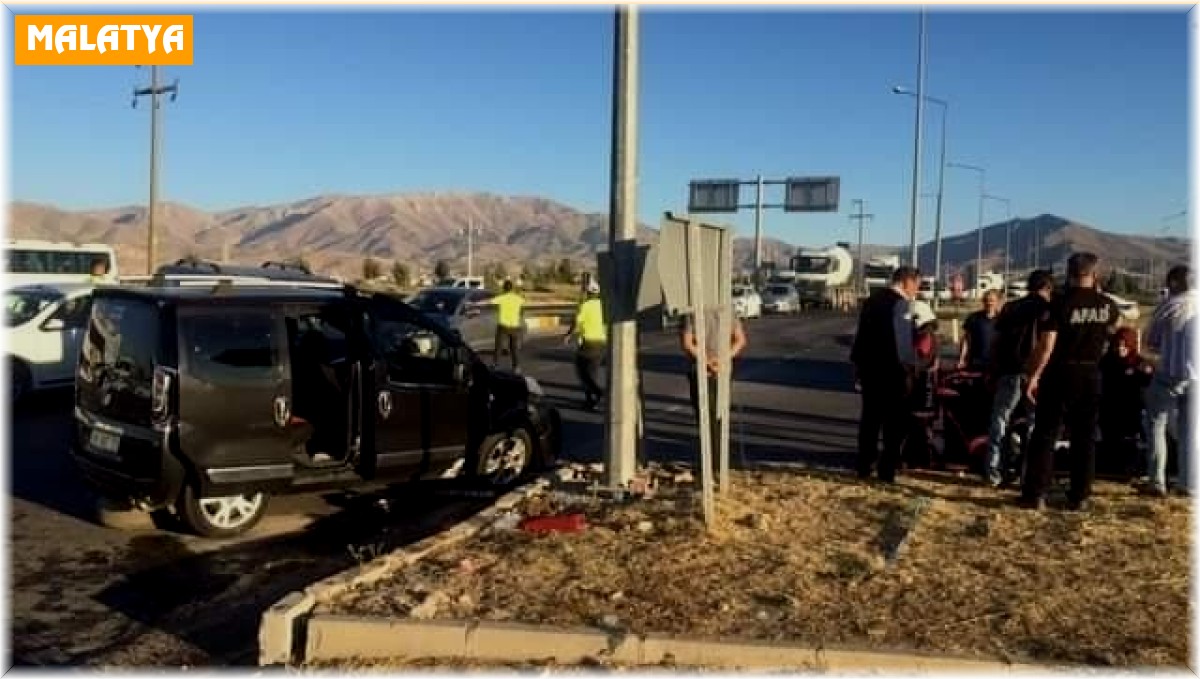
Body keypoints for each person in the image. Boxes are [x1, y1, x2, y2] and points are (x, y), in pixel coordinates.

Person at [1021, 253, 1120, 511]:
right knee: (1084, 437)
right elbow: (1115, 331)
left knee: (1046, 434)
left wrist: (1033, 376)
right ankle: (1080, 495)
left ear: (1069, 273)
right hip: (1091, 373)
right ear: (1094, 274)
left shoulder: (1059, 304)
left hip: (1061, 372)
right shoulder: (1108, 305)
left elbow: (1046, 345)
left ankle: (1036, 493)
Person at [982, 269, 1055, 487]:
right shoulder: (1048, 310)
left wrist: (994, 370)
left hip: (1010, 372)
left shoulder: (1010, 308)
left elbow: (997, 342)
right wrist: (1037, 374)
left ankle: (994, 472)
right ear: (1048, 288)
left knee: (1000, 422)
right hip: (1037, 374)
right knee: (1035, 425)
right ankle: (1029, 474)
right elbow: (1047, 346)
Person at [850, 265, 921, 482]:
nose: (917, 289)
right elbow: (902, 345)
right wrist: (910, 369)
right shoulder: (900, 304)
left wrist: (859, 368)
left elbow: (861, 337)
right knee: (894, 423)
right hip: (892, 373)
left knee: (870, 420)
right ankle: (886, 470)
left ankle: (864, 465)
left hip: (870, 370)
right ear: (906, 281)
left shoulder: (872, 300)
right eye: (917, 284)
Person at [1143, 264, 1196, 497]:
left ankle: (1156, 481)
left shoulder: (1170, 306)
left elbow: (1151, 341)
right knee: (1190, 430)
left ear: (1174, 283)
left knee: (1156, 425)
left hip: (1170, 375)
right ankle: (1189, 483)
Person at [1099, 327, 1153, 478]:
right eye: (1117, 345)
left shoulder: (1137, 362)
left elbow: (1147, 381)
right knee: (1110, 440)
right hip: (1109, 408)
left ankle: (1127, 467)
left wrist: (1145, 372)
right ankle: (1110, 468)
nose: (1120, 349)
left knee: (1128, 441)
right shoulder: (1106, 361)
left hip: (1130, 409)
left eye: (1123, 345)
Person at [680, 306, 747, 423]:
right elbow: (740, 340)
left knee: (704, 418)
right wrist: (723, 359)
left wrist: (707, 362)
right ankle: (718, 440)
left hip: (700, 371)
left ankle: (710, 440)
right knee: (720, 415)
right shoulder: (727, 308)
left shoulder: (692, 310)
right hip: (723, 370)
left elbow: (687, 343)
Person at [564, 280, 607, 411]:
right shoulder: (604, 305)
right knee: (591, 372)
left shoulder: (585, 306)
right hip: (602, 343)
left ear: (588, 293)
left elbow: (576, 322)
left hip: (589, 343)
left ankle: (599, 394)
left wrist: (568, 334)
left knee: (581, 370)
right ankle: (590, 401)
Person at [957, 290, 1001, 371]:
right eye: (986, 300)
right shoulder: (973, 318)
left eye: (992, 300)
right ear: (983, 302)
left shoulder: (1003, 319)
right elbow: (966, 340)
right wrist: (962, 358)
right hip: (975, 362)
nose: (989, 303)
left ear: (998, 302)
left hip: (996, 363)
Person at [492, 280, 525, 372]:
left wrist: (473, 304)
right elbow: (522, 311)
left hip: (503, 326)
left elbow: (489, 302)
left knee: (498, 346)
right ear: (512, 288)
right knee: (514, 348)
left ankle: (496, 365)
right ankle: (516, 367)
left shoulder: (502, 298)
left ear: (504, 288)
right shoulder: (519, 299)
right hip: (515, 327)